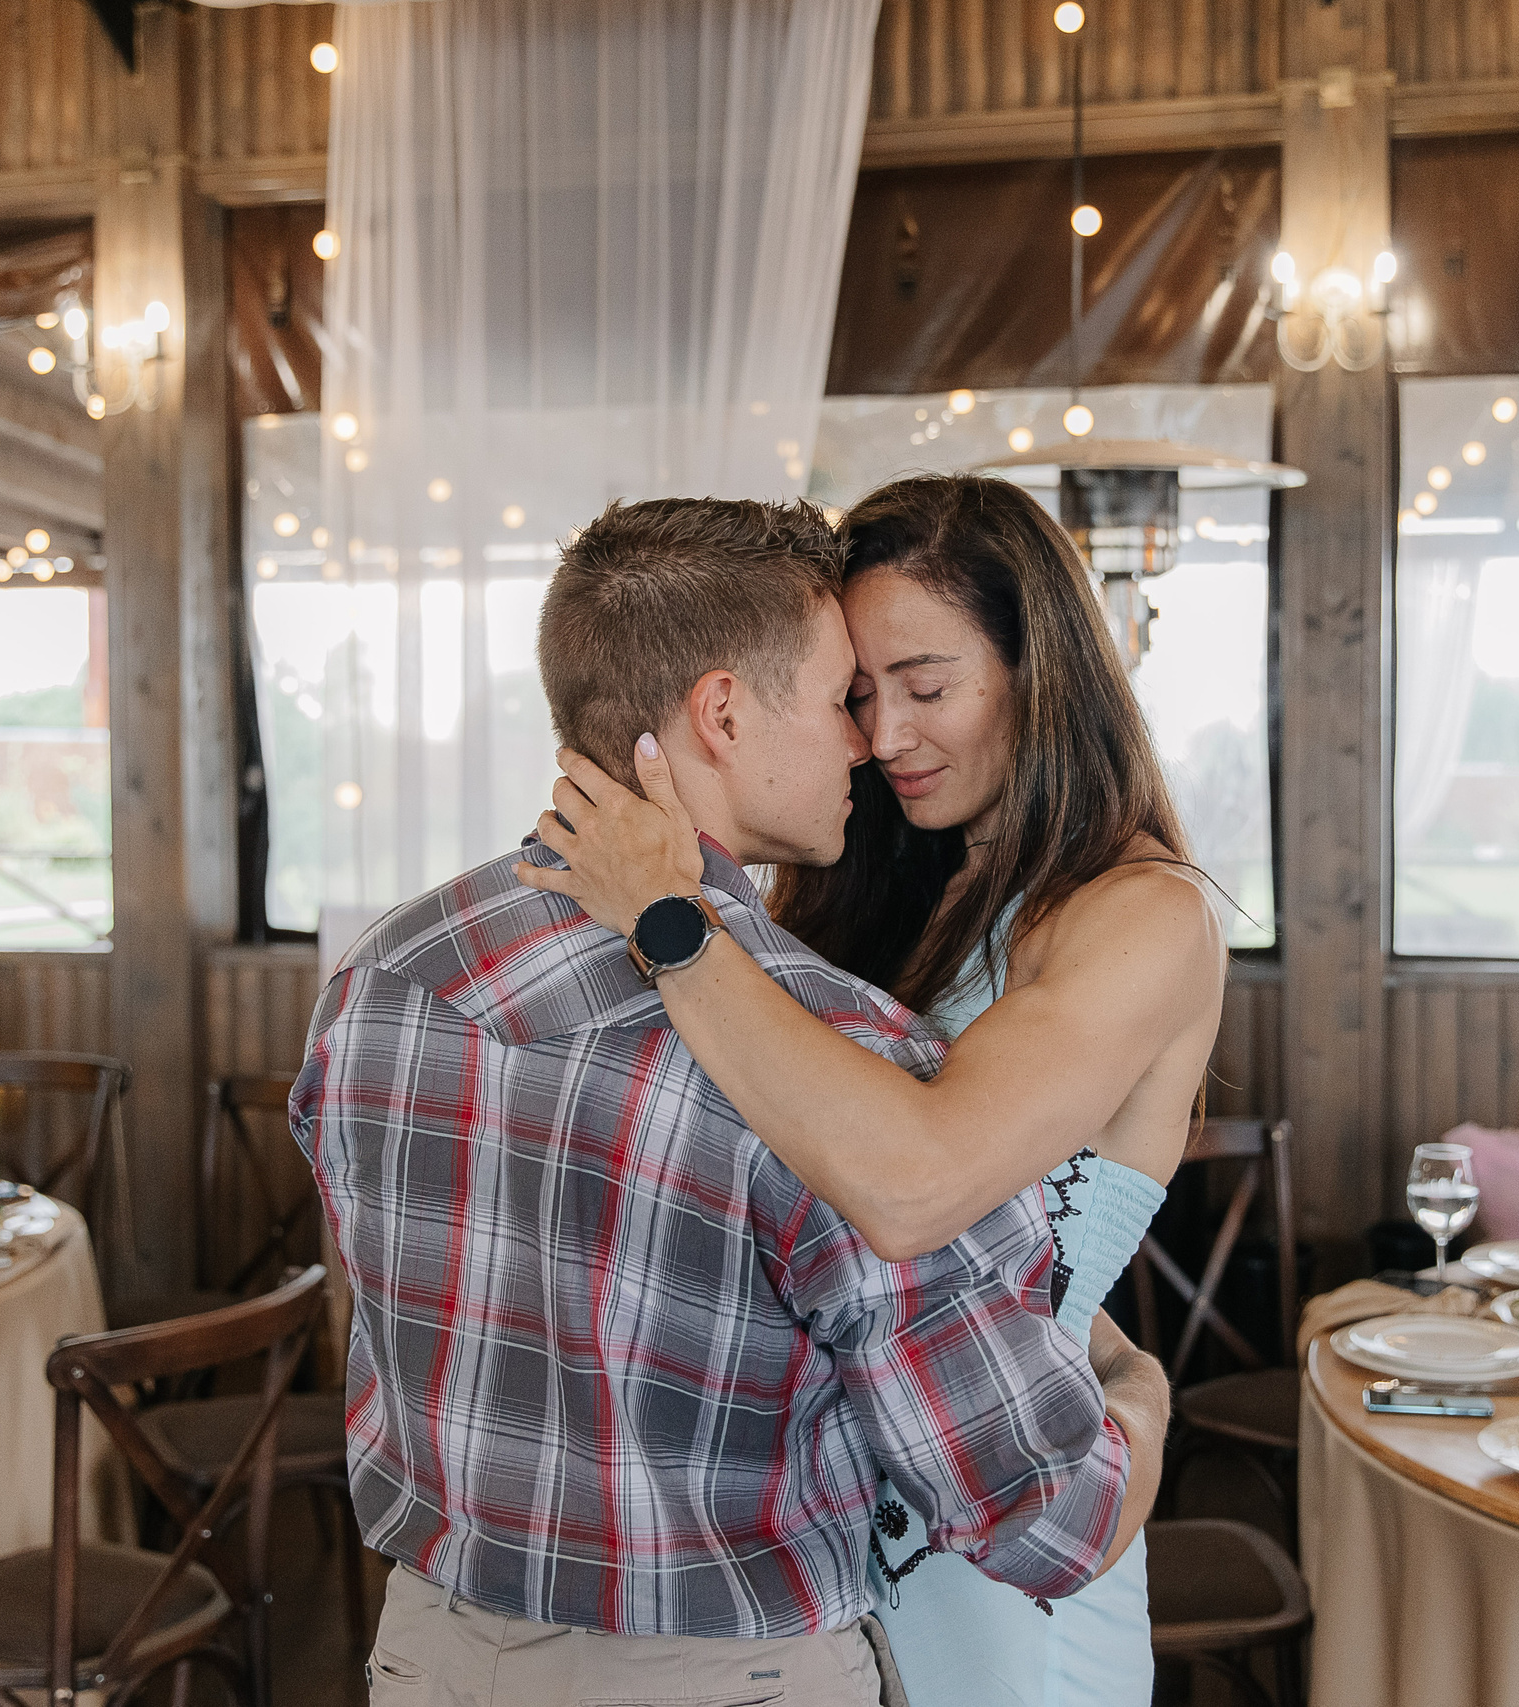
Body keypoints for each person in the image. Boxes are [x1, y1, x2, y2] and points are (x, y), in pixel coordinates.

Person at [292, 495, 1167, 1707]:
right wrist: (1142, 1403)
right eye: (835, 697)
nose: (864, 741)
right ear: (720, 711)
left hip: (428, 1655)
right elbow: (1046, 1524)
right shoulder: (836, 1057)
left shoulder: (384, 975)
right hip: (724, 1675)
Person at [519, 474, 1229, 1707]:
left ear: (1041, 670)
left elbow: (918, 1186)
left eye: (927, 688)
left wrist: (668, 916)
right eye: (855, 695)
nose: (883, 736)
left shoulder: (1143, 917)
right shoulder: (879, 895)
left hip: (1006, 1516)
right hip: (815, 1520)